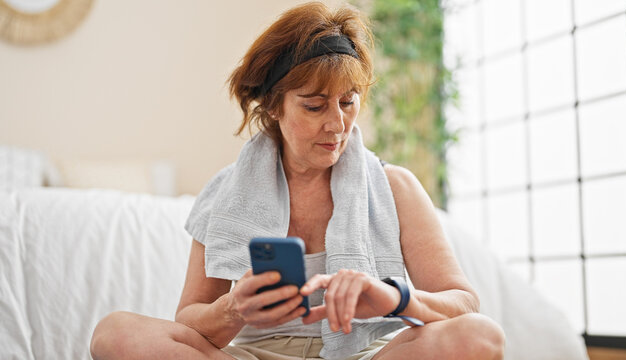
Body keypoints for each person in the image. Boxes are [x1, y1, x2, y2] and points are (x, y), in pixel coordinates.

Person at [90, 2, 505, 359]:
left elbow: (463, 303)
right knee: (115, 334)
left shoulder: (395, 187)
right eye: (314, 106)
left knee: (481, 336)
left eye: (348, 101)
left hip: (365, 355)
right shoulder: (225, 192)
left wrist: (395, 298)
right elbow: (190, 318)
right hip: (252, 353)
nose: (337, 124)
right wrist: (233, 309)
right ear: (274, 106)